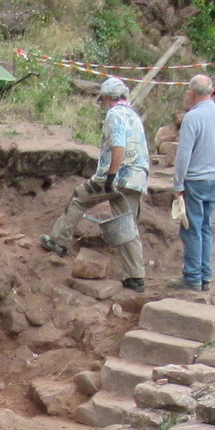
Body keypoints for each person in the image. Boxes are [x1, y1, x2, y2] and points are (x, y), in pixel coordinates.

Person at [45, 76, 150, 291]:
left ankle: (58, 241)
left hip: (118, 175)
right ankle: (135, 277)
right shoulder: (134, 115)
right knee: (128, 226)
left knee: (79, 198)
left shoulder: (114, 114)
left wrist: (111, 176)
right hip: (137, 178)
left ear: (108, 98)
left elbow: (118, 147)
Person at [171, 72, 215, 292]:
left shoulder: (192, 117)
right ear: (212, 91)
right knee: (206, 226)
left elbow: (183, 155)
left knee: (191, 229)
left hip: (195, 180)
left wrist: (178, 184)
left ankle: (192, 277)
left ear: (191, 93)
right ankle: (205, 276)